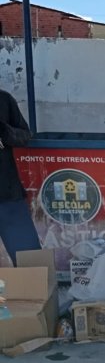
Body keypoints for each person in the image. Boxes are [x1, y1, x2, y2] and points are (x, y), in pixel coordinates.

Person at [0, 89, 40, 266]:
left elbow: (24, 136)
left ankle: (31, 293)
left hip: (7, 194)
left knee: (30, 262)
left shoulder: (4, 99)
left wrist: (3, 130)